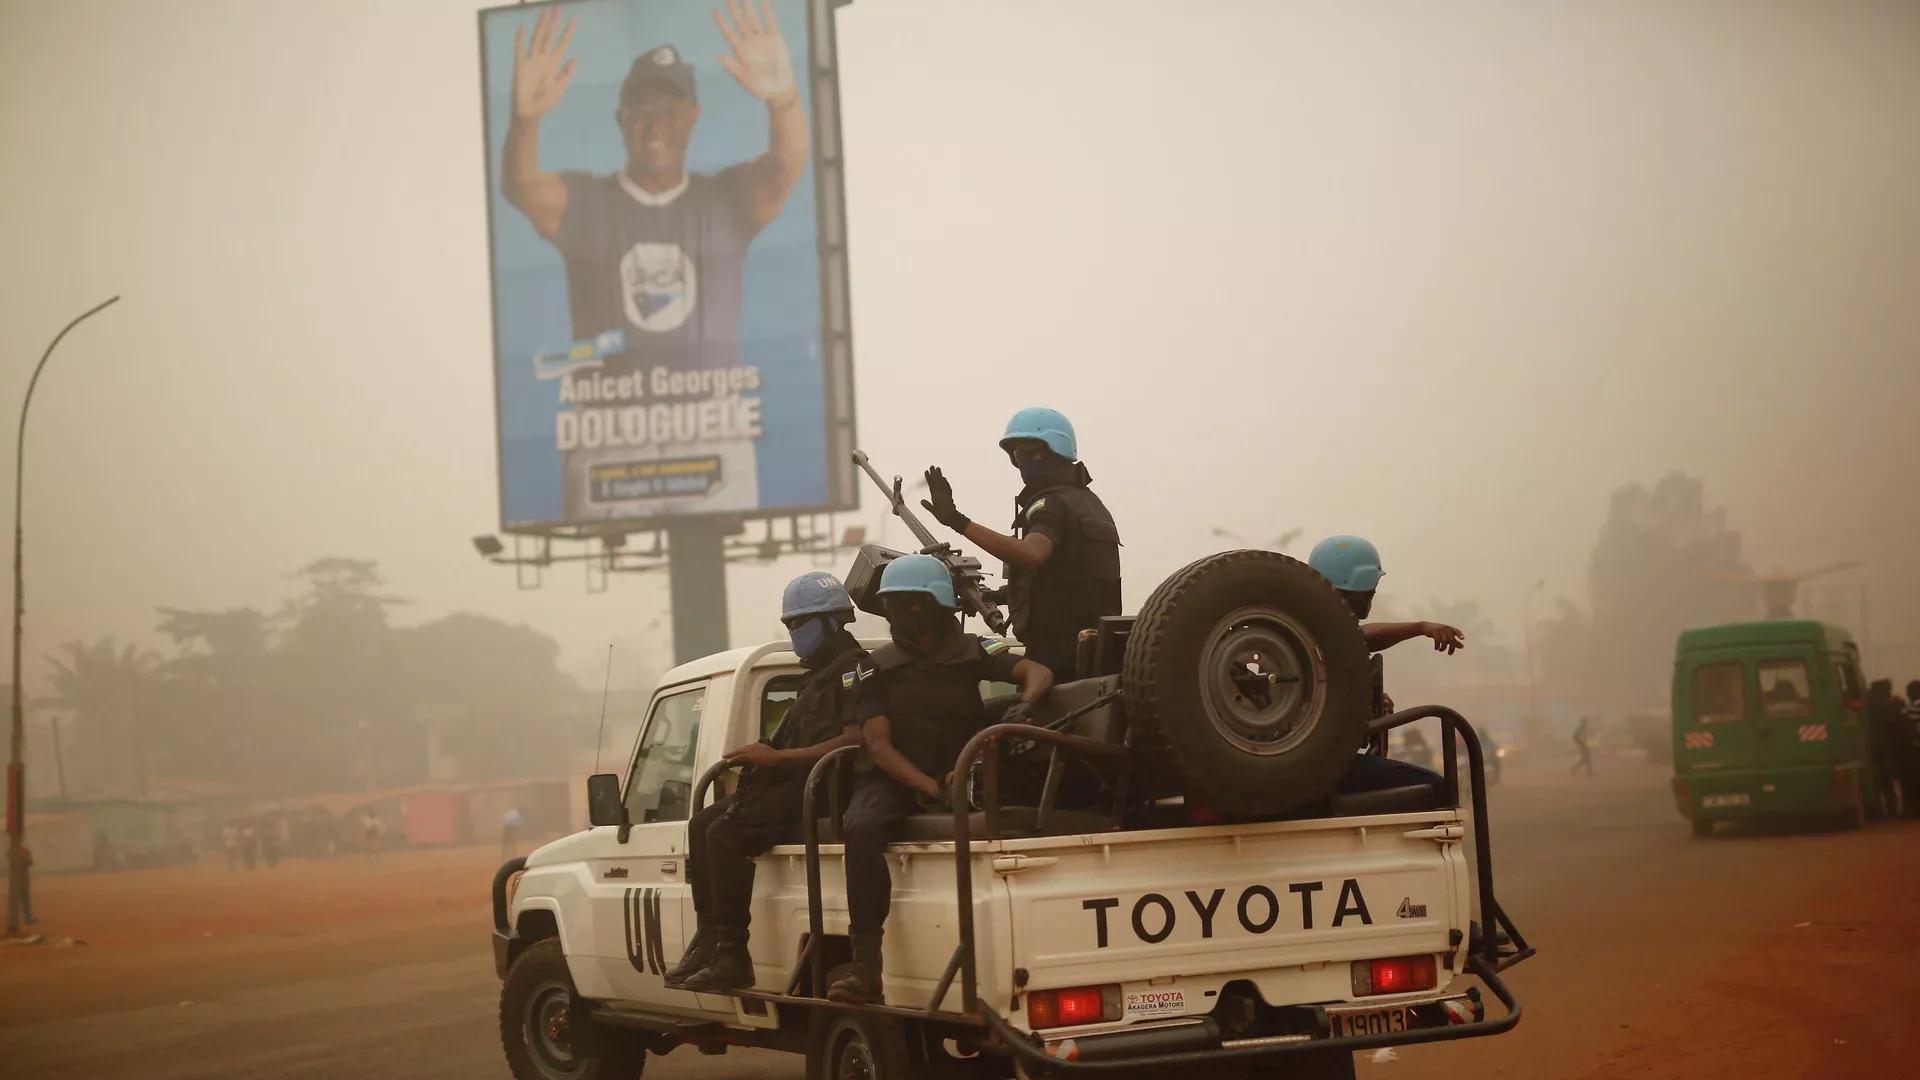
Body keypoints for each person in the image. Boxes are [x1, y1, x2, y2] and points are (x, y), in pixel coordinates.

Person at [502, 2, 811, 521]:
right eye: (643, 109)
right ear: (621, 119)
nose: (656, 125)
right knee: (609, 575)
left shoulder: (724, 199)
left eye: (670, 109)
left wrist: (783, 101)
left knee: (710, 551)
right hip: (610, 437)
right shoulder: (588, 201)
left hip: (713, 432)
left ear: (694, 117)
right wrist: (524, 121)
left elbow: (785, 168)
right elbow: (522, 185)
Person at [827, 554, 1052, 1005]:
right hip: (893, 779)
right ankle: (866, 966)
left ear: (934, 604)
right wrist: (932, 790)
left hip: (963, 770)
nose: (895, 612)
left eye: (906, 603)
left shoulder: (974, 649)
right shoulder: (870, 668)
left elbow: (1037, 672)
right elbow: (879, 746)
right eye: (890, 604)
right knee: (861, 825)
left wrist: (1025, 703)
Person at [667, 572, 870, 993]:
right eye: (788, 625)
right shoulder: (818, 674)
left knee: (724, 835)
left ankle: (733, 955)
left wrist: (777, 758)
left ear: (831, 621)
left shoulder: (853, 670)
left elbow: (854, 739)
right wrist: (762, 754)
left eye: (798, 623)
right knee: (701, 825)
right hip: (793, 784)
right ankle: (709, 940)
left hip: (822, 789)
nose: (792, 632)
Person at [920, 407, 1122, 679]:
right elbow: (1069, 582)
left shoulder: (1050, 503)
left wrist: (957, 521)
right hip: (1096, 655)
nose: (1021, 462)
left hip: (1058, 660)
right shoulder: (1090, 504)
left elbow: (1031, 554)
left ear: (1054, 450)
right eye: (1015, 455)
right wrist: (999, 596)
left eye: (1027, 452)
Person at [1306, 535, 1466, 655]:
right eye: (1370, 588)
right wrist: (1420, 627)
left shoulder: (1310, 623)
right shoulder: (1307, 629)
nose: (1373, 593)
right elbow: (1358, 638)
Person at [1865, 680, 1906, 817]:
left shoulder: (1867, 703)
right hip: (1885, 747)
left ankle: (1877, 810)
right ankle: (1892, 809)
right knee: (1887, 780)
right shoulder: (1886, 705)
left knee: (1876, 780)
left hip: (1869, 748)